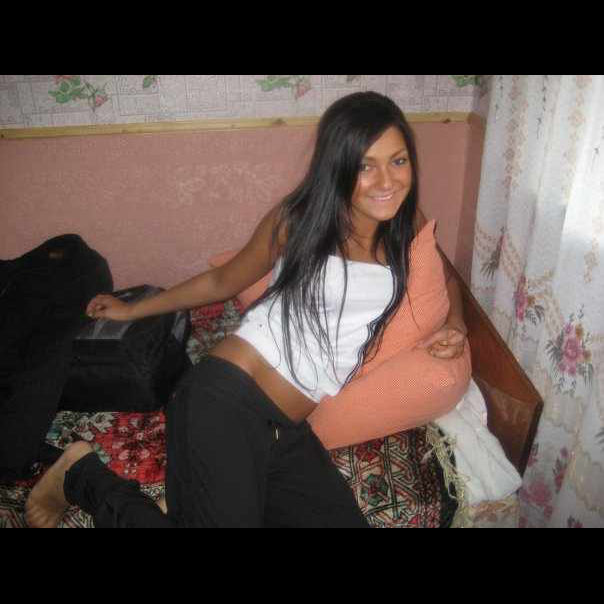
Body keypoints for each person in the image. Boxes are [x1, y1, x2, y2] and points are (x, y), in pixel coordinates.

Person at [25, 91, 468, 528]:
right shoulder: (300, 219)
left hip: (283, 431)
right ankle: (80, 475)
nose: (387, 181)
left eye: (398, 161)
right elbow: (223, 281)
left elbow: (445, 275)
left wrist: (456, 324)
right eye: (365, 166)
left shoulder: (406, 223)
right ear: (338, 166)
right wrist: (131, 311)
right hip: (223, 400)